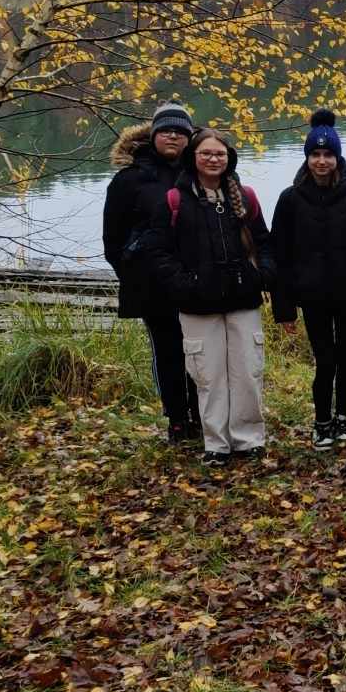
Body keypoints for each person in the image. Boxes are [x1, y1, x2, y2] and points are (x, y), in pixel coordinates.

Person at [147, 128, 275, 464]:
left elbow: (264, 243)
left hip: (243, 301)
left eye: (219, 153)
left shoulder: (244, 197)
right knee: (208, 377)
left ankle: (248, 439)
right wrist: (184, 284)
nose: (213, 159)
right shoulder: (175, 200)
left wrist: (261, 276)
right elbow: (159, 253)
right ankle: (216, 444)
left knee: (247, 373)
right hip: (197, 306)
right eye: (206, 153)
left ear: (228, 158)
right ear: (193, 157)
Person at [270, 111, 346, 447]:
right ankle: (322, 421)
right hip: (312, 296)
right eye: (315, 154)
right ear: (307, 158)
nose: (322, 161)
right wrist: (284, 308)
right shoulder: (290, 200)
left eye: (328, 155)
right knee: (325, 359)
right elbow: (280, 257)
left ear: (338, 158)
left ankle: (343, 418)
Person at [103, 100, 199, 444]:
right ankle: (177, 419)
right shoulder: (128, 180)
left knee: (199, 351)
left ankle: (202, 413)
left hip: (195, 280)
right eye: (166, 131)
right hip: (153, 285)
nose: (173, 136)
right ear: (153, 135)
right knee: (168, 350)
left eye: (180, 132)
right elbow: (113, 242)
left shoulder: (199, 173)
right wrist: (135, 276)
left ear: (189, 138)